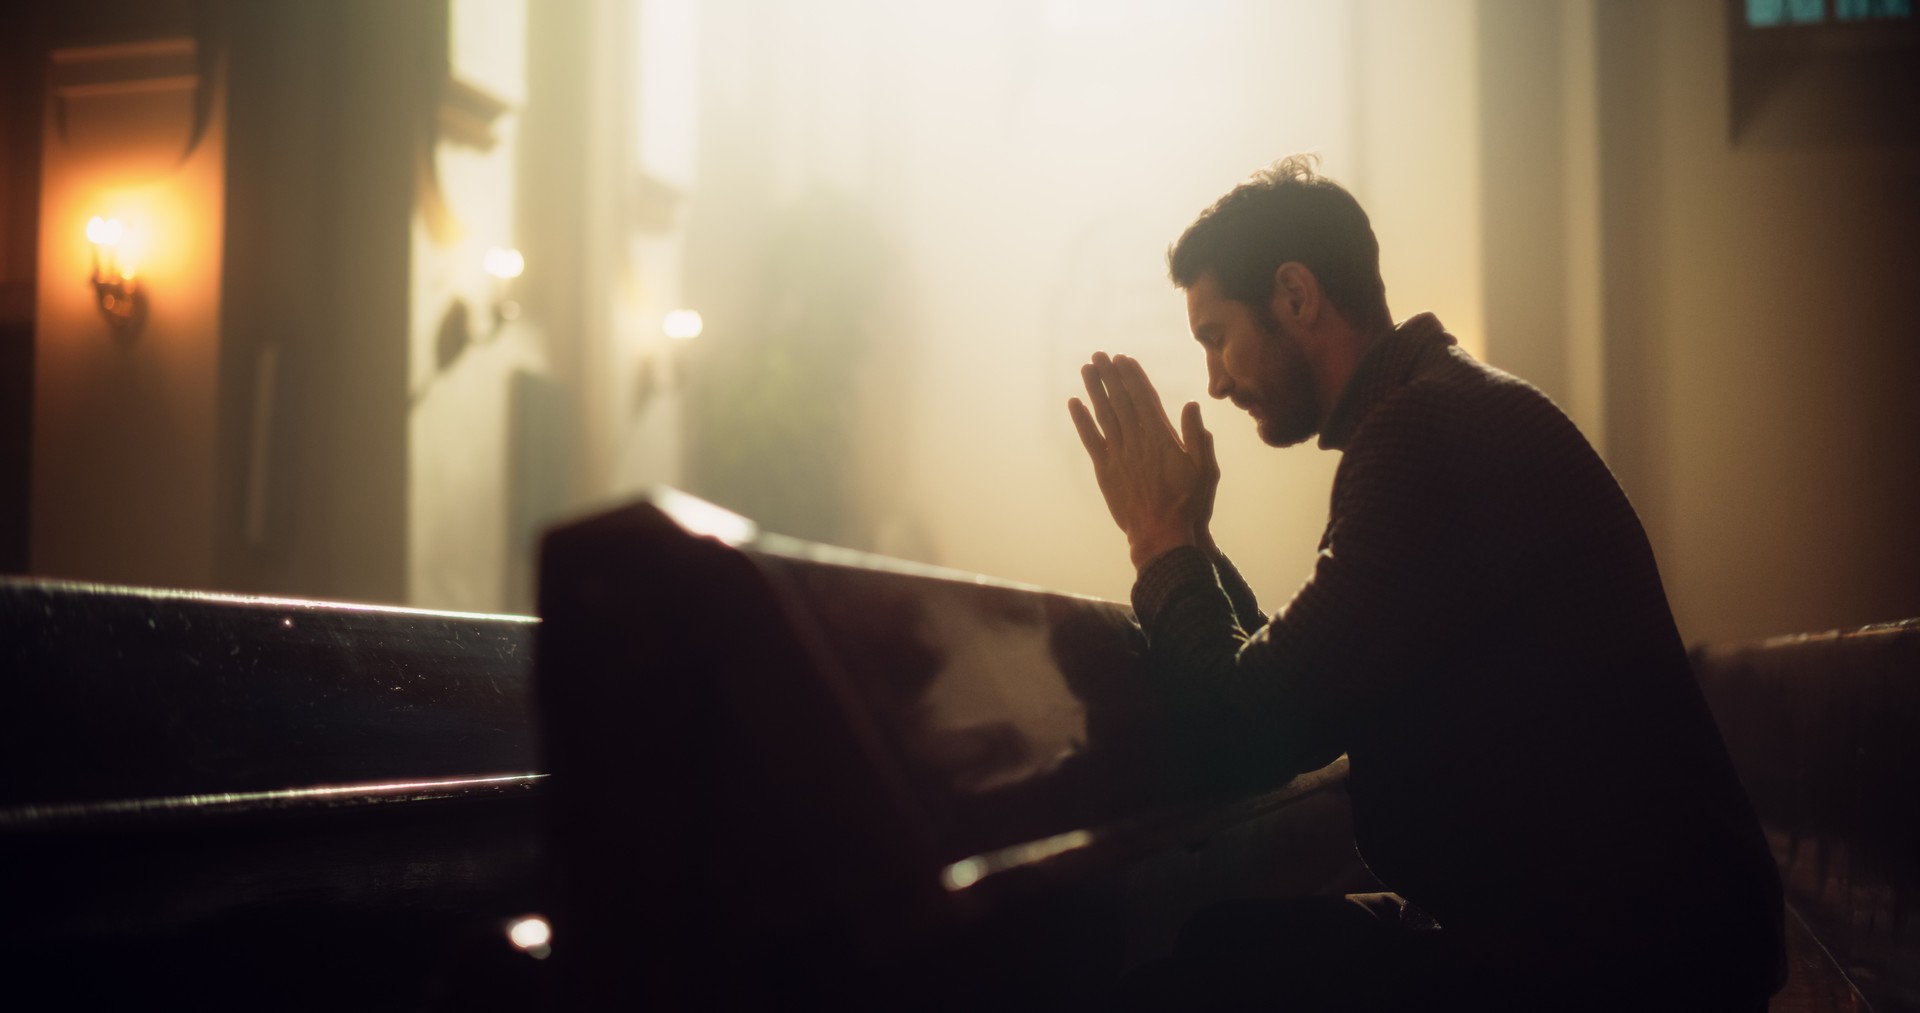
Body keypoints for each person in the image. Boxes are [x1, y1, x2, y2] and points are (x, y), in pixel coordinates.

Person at [1067, 156, 1784, 1011]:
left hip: (1626, 964)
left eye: (1217, 336)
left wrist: (1158, 540)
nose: (1216, 381)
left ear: (1295, 296)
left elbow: (1248, 728)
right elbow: (1310, 677)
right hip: (1624, 933)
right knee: (1223, 947)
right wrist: (1197, 541)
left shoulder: (1426, 435)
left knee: (1178, 988)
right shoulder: (1432, 409)